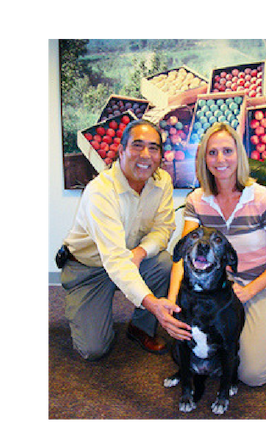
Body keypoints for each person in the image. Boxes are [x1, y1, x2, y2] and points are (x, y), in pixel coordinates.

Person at [168, 123, 266, 387]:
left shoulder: (262, 199)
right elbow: (185, 256)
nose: (220, 159)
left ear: (239, 155)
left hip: (263, 287)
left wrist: (248, 291)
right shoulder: (197, 200)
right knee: (188, 349)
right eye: (212, 153)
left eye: (227, 151)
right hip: (217, 293)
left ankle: (254, 335)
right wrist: (172, 305)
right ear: (204, 158)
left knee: (252, 375)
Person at [60, 119, 192, 361]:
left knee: (163, 263)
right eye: (137, 146)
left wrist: (141, 252)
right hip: (89, 268)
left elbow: (164, 229)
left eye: (153, 148)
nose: (145, 155)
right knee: (93, 349)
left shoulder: (162, 182)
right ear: (121, 151)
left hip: (132, 259)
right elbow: (116, 260)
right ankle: (96, 312)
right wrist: (154, 304)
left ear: (160, 155)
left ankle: (140, 328)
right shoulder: (100, 192)